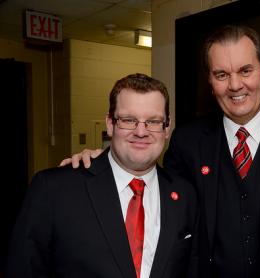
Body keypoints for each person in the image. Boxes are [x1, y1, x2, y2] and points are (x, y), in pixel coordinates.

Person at [62, 25, 260, 277]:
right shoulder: (187, 142)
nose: (234, 85)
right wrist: (105, 163)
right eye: (222, 74)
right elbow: (156, 200)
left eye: (245, 70)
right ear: (210, 81)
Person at [6, 73, 198, 278]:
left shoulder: (184, 195)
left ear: (166, 128)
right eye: (128, 120)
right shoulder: (54, 189)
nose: (141, 131)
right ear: (109, 123)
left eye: (153, 121)